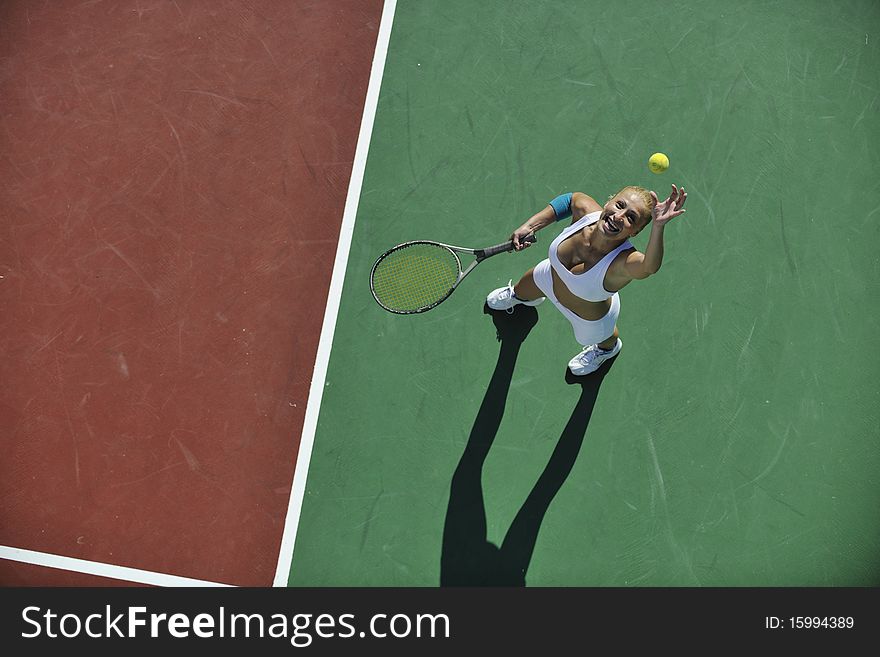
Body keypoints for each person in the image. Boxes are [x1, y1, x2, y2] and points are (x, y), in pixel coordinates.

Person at [486, 184, 687, 375]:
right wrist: (531, 226)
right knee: (522, 289)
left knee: (605, 339)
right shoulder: (585, 210)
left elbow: (649, 267)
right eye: (619, 205)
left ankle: (607, 350)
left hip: (589, 320)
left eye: (630, 218)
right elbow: (568, 201)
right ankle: (522, 297)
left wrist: (658, 227)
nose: (618, 216)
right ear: (609, 201)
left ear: (634, 232)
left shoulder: (623, 261)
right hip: (548, 278)